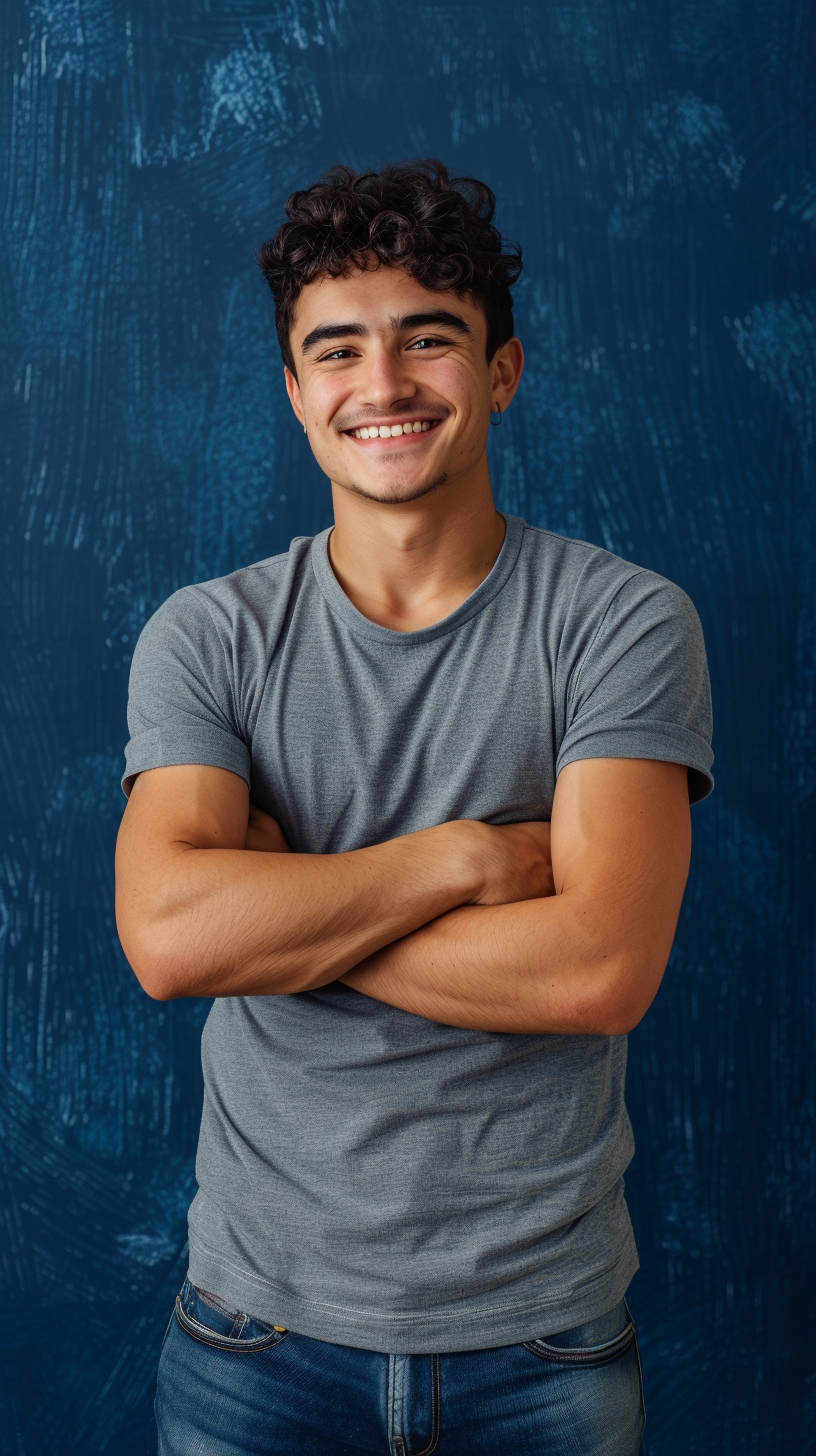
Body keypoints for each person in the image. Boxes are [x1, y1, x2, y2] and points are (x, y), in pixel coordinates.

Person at [115, 160, 713, 1456]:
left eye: (427, 340)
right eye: (336, 351)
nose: (380, 386)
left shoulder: (621, 623)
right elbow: (169, 941)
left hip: (542, 1344)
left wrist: (283, 908)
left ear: (500, 369)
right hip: (253, 1338)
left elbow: (599, 970)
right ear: (293, 391)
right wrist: (453, 862)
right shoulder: (208, 636)